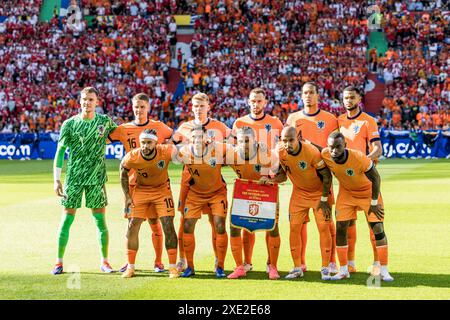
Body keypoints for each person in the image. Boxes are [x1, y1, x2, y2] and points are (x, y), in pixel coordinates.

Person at [52, 87, 117, 275]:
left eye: (90, 99)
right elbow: (60, 152)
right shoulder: (70, 124)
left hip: (96, 178)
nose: (87, 102)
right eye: (84, 99)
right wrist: (56, 180)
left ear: (97, 102)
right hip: (73, 178)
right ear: (79, 101)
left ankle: (104, 262)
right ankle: (58, 262)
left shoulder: (105, 122)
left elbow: (121, 135)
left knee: (100, 221)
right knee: (66, 220)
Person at [108, 93, 173, 273]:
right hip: (132, 185)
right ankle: (129, 262)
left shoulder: (158, 126)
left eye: (142, 107)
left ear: (148, 108)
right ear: (132, 107)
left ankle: (158, 261)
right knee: (131, 223)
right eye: (136, 107)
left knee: (155, 222)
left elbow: (175, 137)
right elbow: (105, 138)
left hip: (153, 183)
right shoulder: (123, 128)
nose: (139, 110)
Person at [261, 127, 334, 280]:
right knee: (294, 228)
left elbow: (327, 175)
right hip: (299, 193)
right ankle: (297, 267)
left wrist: (325, 199)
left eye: (291, 140)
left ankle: (326, 268)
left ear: (298, 137)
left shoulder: (311, 152)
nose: (287, 144)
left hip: (319, 193)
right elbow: (283, 176)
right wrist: (271, 180)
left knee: (323, 227)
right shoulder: (280, 151)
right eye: (284, 140)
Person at [321, 132, 393, 281]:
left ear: (345, 145)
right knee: (341, 228)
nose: (334, 151)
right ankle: (343, 270)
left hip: (368, 193)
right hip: (347, 194)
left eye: (338, 147)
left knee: (377, 228)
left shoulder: (359, 157)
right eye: (331, 147)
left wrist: (374, 202)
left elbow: (376, 178)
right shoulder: (326, 154)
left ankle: (384, 270)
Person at [172, 92, 231, 272]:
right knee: (185, 220)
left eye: (202, 106)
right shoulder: (184, 127)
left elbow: (234, 142)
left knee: (216, 221)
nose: (198, 109)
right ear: (191, 108)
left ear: (208, 107)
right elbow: (172, 146)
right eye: (195, 106)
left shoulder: (219, 127)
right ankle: (182, 258)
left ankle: (217, 259)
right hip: (188, 180)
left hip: (212, 179)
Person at [285, 82, 338, 273]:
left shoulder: (330, 119)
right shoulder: (293, 118)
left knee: (326, 224)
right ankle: (300, 263)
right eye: (305, 93)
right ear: (301, 96)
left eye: (311, 93)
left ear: (318, 95)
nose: (308, 96)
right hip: (300, 180)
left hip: (322, 178)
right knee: (299, 225)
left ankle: (331, 261)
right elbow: (286, 144)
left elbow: (335, 147)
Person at [231, 87, 283, 273]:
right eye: (252, 101)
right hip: (247, 181)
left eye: (259, 101)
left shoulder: (275, 122)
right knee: (245, 224)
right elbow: (232, 149)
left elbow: (280, 149)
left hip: (268, 180)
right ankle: (247, 262)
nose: (255, 104)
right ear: (248, 102)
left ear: (265, 102)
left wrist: (271, 171)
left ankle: (272, 265)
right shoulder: (239, 123)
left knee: (271, 225)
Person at [120, 129, 179, 278]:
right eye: (143, 143)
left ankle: (173, 267)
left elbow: (183, 155)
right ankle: (131, 267)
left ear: (156, 143)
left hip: (162, 190)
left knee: (167, 224)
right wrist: (127, 196)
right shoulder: (133, 156)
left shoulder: (165, 151)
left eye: (149, 143)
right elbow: (123, 171)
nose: (145, 146)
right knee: (133, 225)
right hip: (141, 190)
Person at [338, 86, 383, 273]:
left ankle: (378, 264)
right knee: (347, 224)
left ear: (359, 99)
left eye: (352, 98)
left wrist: (363, 161)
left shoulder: (368, 121)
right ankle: (350, 263)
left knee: (374, 225)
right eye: (345, 98)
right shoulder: (338, 120)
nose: (348, 101)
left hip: (366, 179)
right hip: (346, 182)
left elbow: (378, 149)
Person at [227, 126, 280, 279]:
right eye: (241, 140)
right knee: (234, 226)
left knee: (272, 228)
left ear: (255, 140)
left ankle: (272, 266)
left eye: (248, 140)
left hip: (266, 195)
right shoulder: (232, 155)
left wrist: (271, 178)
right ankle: (240, 267)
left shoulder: (266, 153)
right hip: (244, 195)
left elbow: (282, 172)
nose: (244, 143)